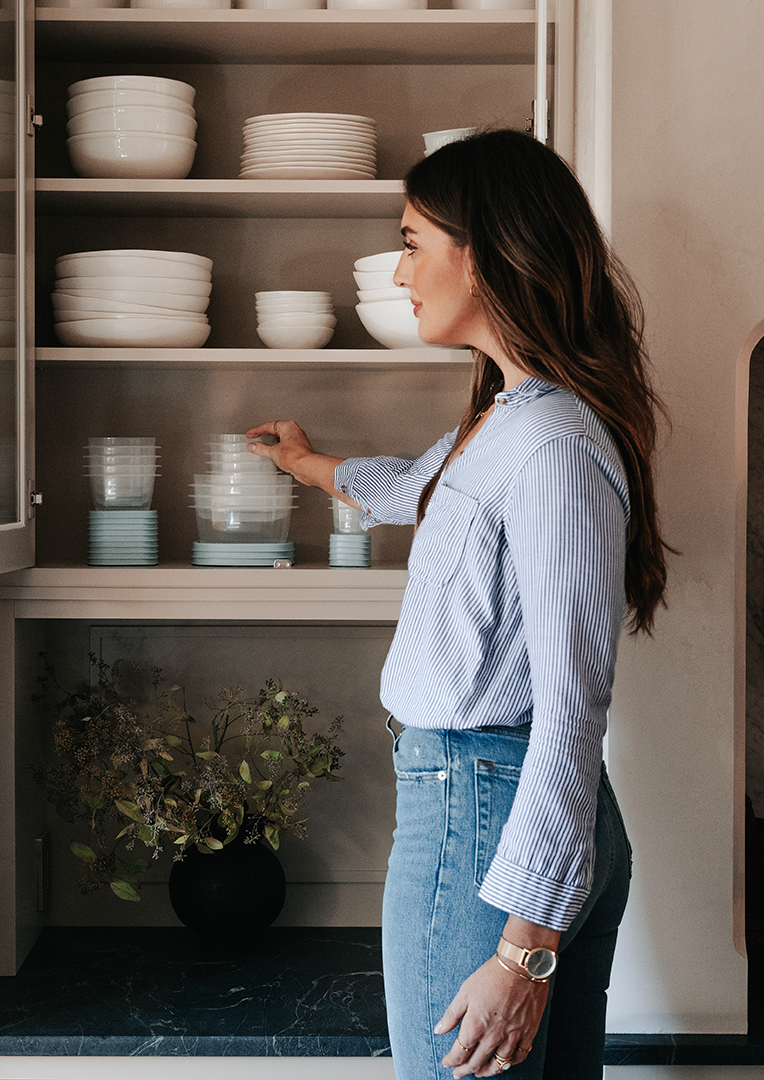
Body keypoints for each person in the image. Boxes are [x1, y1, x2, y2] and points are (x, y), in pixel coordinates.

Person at [245, 129, 671, 1080]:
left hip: (485, 810)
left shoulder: (550, 441)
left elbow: (574, 704)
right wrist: (307, 463)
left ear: (482, 252)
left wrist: (523, 952)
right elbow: (414, 488)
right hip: (515, 811)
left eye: (409, 242)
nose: (399, 272)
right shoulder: (506, 420)